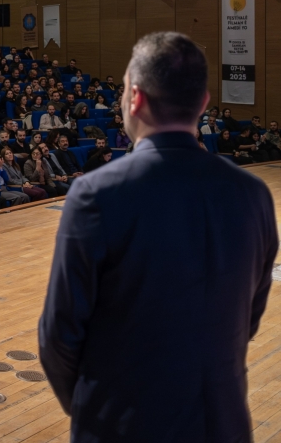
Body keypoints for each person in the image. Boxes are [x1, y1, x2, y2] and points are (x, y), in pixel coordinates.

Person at [39, 32, 278, 442]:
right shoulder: (254, 194)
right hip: (223, 425)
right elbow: (248, 318)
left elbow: (59, 336)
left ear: (134, 98)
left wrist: (94, 409)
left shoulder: (96, 194)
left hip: (121, 426)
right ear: (203, 103)